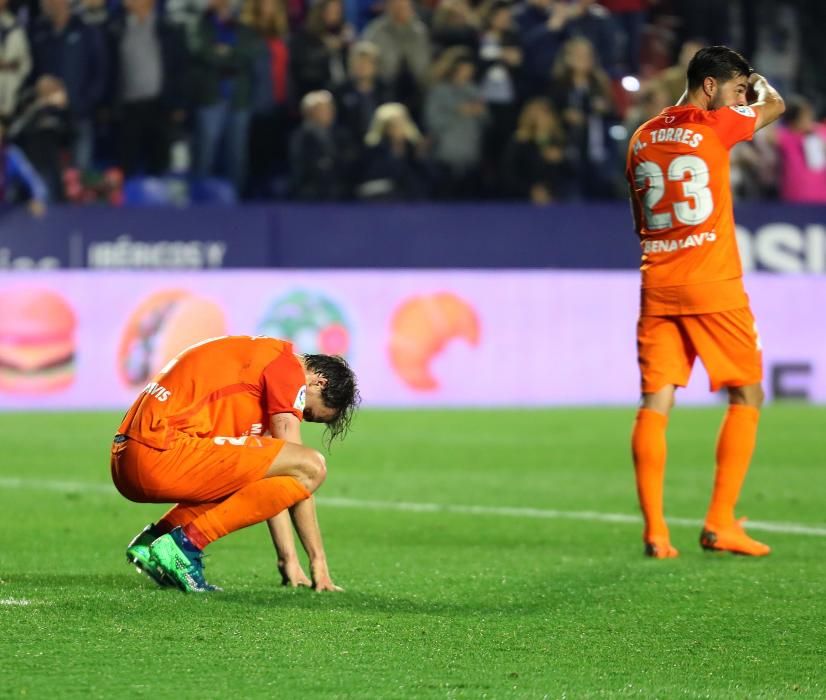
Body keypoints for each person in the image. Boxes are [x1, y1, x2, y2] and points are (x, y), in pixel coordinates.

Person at [625, 46, 785, 559]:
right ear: (711, 87)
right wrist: (758, 83)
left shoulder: (641, 136)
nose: (744, 95)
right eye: (736, 87)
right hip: (712, 284)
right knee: (747, 394)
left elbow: (640, 215)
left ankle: (655, 531)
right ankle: (719, 523)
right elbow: (776, 105)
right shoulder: (717, 127)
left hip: (658, 283)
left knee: (655, 402)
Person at [111, 335, 360, 593]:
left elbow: (271, 483)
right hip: (157, 452)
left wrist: (289, 559)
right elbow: (300, 466)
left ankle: (155, 540)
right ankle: (186, 545)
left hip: (132, 455)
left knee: (268, 466)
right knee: (313, 465)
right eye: (308, 412)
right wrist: (317, 560)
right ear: (319, 381)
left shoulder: (257, 370)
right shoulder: (287, 369)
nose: (301, 416)